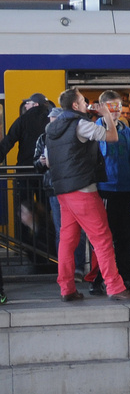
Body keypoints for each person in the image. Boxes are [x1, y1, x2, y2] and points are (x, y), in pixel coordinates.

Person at [40, 89, 130, 301]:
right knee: (102, 238)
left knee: (67, 240)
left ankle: (67, 288)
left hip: (63, 192)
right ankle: (115, 286)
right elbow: (112, 136)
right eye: (83, 101)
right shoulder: (80, 124)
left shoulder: (51, 128)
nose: (87, 104)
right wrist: (107, 116)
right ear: (75, 106)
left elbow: (47, 159)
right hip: (83, 190)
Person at [93, 90, 130, 294]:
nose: (117, 112)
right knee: (105, 238)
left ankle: (128, 277)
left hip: (124, 189)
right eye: (112, 108)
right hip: (104, 190)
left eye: (119, 107)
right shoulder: (95, 130)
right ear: (103, 107)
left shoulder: (127, 131)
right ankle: (99, 279)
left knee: (125, 237)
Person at [0, 91, 54, 271]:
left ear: (35, 104)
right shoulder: (52, 119)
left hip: (25, 174)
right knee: (46, 211)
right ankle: (49, 251)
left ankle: (26, 248)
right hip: (46, 174)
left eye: (28, 103)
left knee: (23, 211)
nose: (26, 106)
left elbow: (8, 142)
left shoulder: (22, 120)